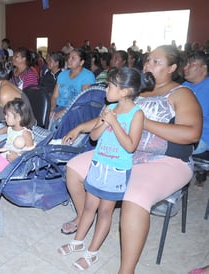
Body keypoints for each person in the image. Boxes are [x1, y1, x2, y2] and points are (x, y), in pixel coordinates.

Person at [60, 45, 202, 273]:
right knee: (74, 168)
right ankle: (82, 217)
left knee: (134, 197)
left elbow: (192, 134)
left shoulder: (181, 94)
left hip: (166, 160)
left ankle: (126, 270)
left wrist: (142, 121)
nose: (148, 65)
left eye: (156, 62)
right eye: (148, 60)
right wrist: (79, 128)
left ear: (172, 68)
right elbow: (104, 119)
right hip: (122, 152)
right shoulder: (135, 92)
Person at [57, 67, 154, 270]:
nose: (105, 88)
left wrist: (114, 123)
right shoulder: (109, 107)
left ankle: (92, 253)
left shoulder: (137, 114)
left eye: (110, 85)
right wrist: (104, 120)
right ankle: (78, 241)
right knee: (89, 207)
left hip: (116, 170)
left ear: (125, 91)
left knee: (104, 211)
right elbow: (93, 137)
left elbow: (130, 146)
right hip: (99, 164)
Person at [49, 48, 95, 130]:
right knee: (52, 118)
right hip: (59, 107)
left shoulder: (88, 76)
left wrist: (65, 111)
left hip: (76, 110)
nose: (69, 60)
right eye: (69, 57)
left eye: (73, 58)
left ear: (81, 62)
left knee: (59, 123)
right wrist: (52, 110)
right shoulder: (62, 75)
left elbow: (83, 100)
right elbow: (55, 96)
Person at [182, 50, 209, 154]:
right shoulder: (186, 85)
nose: (185, 68)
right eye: (186, 64)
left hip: (202, 137)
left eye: (191, 65)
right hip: (184, 131)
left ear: (204, 68)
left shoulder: (207, 88)